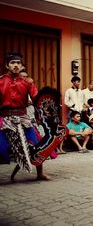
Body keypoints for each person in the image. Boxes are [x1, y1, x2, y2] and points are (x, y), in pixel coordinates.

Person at [0, 53, 49, 181]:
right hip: (5, 119)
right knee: (1, 147)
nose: (16, 65)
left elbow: (37, 99)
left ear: (22, 66)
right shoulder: (0, 81)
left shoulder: (27, 83)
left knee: (36, 145)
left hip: (24, 118)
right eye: (12, 63)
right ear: (7, 65)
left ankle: (40, 173)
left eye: (18, 63)